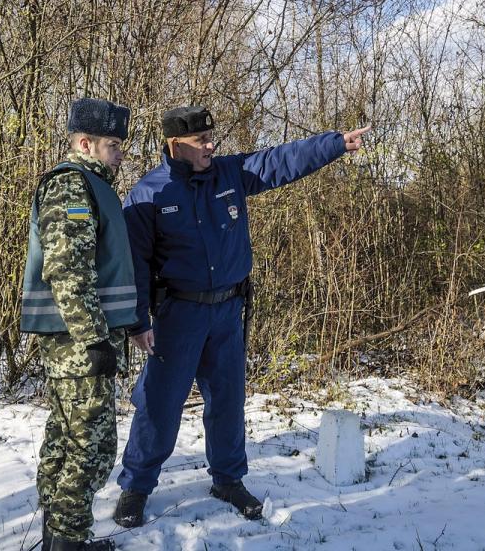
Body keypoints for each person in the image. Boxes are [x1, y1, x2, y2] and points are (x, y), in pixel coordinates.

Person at [112, 106, 370, 526]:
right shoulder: (149, 194)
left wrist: (335, 144)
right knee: (160, 404)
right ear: (176, 145)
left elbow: (280, 161)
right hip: (178, 314)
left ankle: (228, 478)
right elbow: (135, 264)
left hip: (229, 310)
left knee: (228, 401)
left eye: (212, 137)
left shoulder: (228, 173)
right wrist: (138, 322)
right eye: (202, 141)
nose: (212, 146)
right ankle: (136, 487)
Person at [21, 98, 138, 551]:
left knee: (65, 439)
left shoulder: (93, 185)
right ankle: (69, 541)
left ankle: (59, 537)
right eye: (113, 145)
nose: (121, 153)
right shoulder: (72, 187)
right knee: (91, 450)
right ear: (85, 143)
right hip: (78, 343)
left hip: (77, 341)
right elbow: (67, 268)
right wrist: (93, 339)